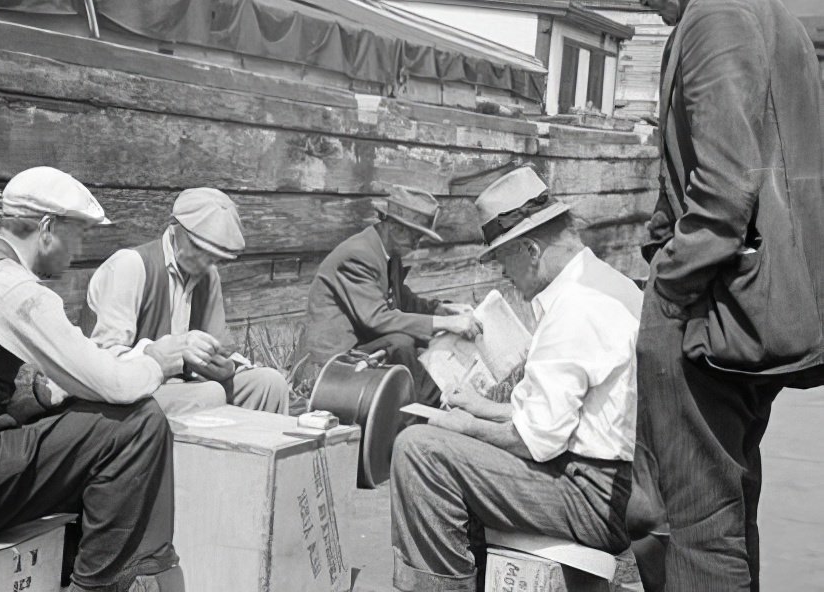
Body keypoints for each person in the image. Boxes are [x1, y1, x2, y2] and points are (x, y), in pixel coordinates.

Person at [603, 0, 824, 591]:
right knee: (719, 511)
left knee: (686, 523)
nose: (642, 1)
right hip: (756, 305)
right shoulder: (773, 14)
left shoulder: (714, 18)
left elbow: (724, 190)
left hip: (709, 309)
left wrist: (667, 288)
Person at [0, 167, 201, 592]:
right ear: (47, 228)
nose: (78, 249)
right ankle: (101, 585)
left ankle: (106, 567)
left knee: (91, 416)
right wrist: (159, 362)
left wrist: (48, 395)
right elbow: (117, 385)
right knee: (137, 422)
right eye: (77, 233)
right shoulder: (10, 288)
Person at [389, 166, 640, 592]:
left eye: (502, 259)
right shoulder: (603, 283)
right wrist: (482, 408)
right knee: (451, 444)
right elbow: (566, 417)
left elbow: (536, 440)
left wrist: (463, 425)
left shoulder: (575, 308)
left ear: (529, 249)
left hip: (594, 496)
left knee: (420, 450)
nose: (502, 274)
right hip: (617, 484)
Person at [85, 187, 289, 416]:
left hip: (186, 387)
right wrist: (160, 352)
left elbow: (219, 350)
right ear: (174, 229)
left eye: (215, 257)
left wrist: (225, 367)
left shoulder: (208, 276)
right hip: (128, 395)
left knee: (270, 384)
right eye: (199, 248)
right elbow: (102, 362)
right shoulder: (130, 265)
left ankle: (254, 451)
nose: (205, 261)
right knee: (209, 394)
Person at [305, 185, 478, 404]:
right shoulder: (359, 255)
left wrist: (441, 308)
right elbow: (377, 319)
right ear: (395, 227)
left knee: (416, 341)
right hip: (331, 362)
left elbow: (402, 300)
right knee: (401, 342)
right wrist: (445, 322)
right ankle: (427, 408)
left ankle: (439, 400)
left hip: (361, 346)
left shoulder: (386, 252)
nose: (417, 245)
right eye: (415, 237)